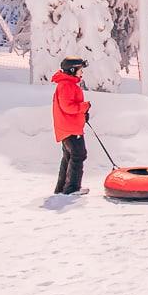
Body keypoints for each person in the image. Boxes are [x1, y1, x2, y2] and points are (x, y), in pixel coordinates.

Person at [52, 57, 91, 195]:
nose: (82, 73)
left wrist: (82, 114)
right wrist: (84, 106)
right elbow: (68, 107)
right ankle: (72, 189)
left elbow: (68, 108)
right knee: (78, 155)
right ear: (73, 70)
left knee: (69, 157)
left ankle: (62, 188)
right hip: (70, 129)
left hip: (69, 127)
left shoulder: (66, 84)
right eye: (80, 70)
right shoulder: (67, 85)